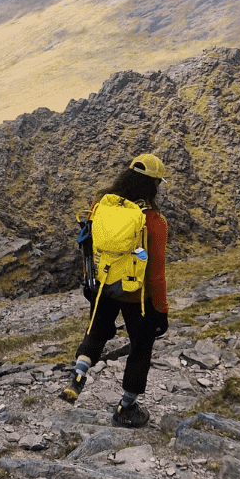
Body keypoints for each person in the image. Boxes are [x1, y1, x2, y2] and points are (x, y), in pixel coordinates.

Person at [61, 152, 169, 428]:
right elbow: (156, 274)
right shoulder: (153, 221)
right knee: (141, 345)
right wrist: (161, 311)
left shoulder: (101, 205)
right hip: (135, 293)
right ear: (153, 185)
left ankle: (79, 375)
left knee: (98, 330)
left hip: (102, 283)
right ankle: (126, 406)